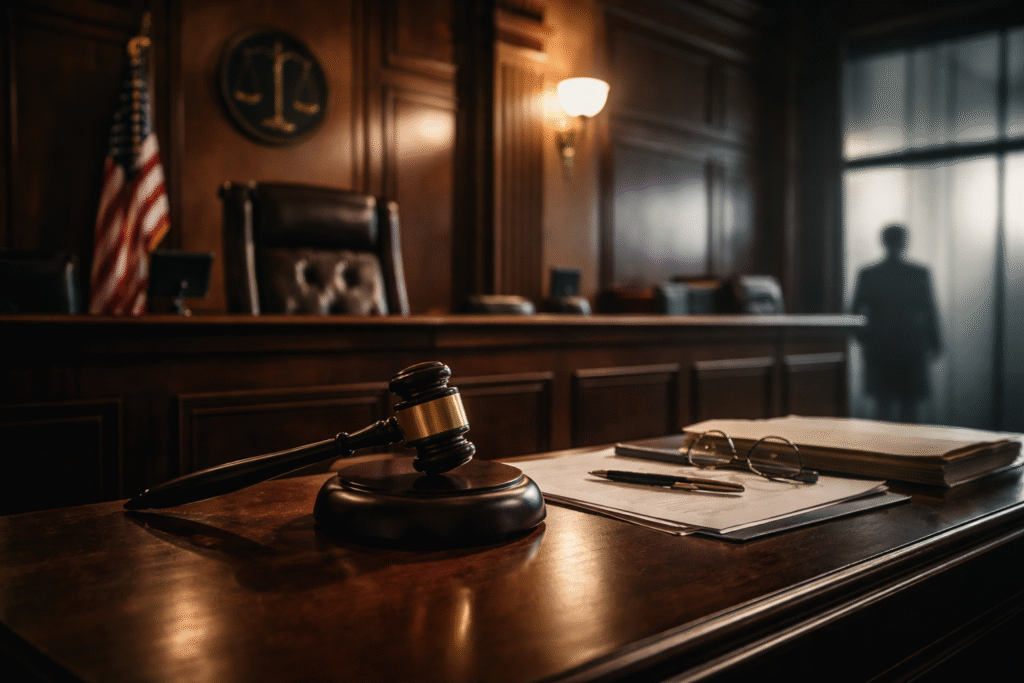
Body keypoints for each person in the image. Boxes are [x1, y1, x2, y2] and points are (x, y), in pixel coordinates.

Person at [851, 224, 942, 423]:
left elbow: (855, 312)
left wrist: (866, 339)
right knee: (908, 410)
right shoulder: (918, 273)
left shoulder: (869, 274)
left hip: (881, 347)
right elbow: (930, 310)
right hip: (909, 346)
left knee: (883, 408)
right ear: (904, 243)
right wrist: (934, 342)